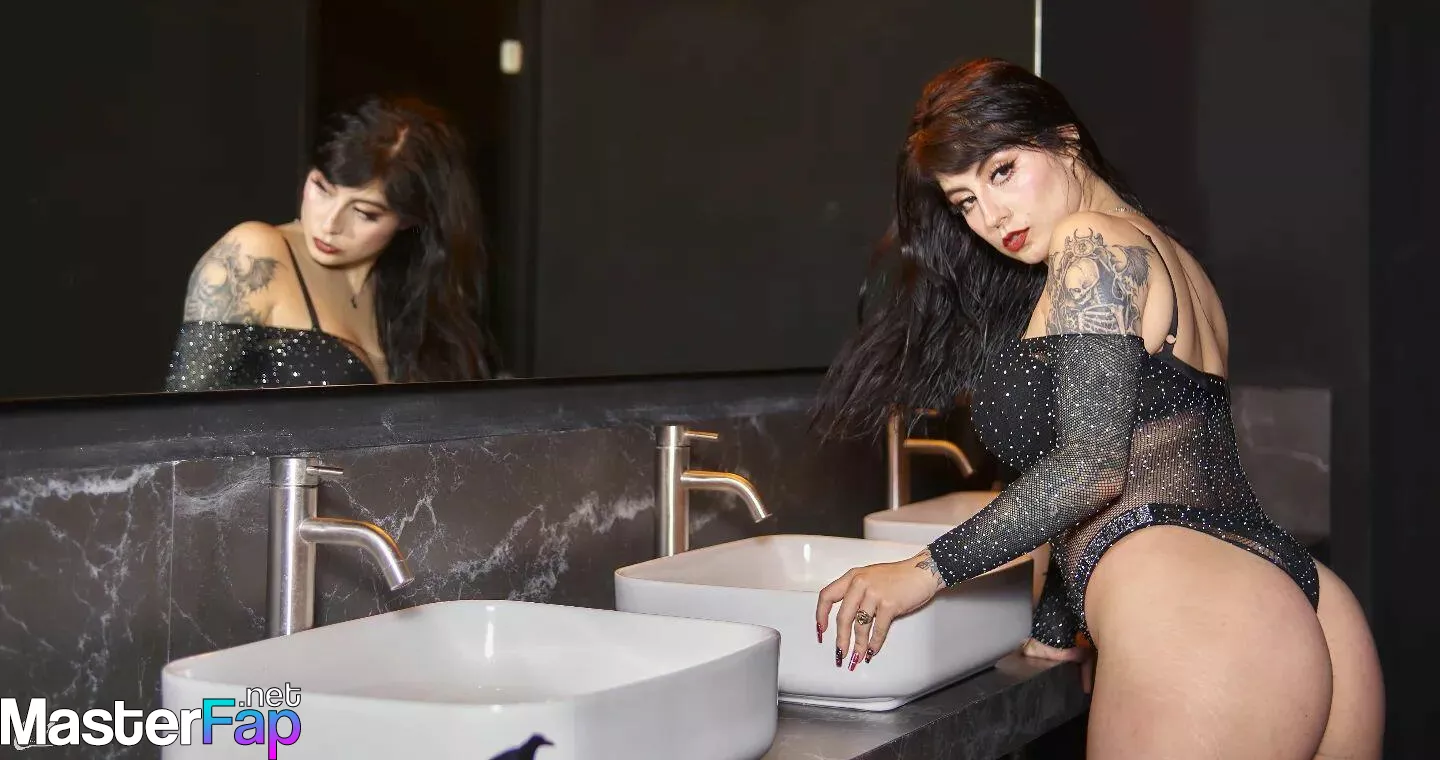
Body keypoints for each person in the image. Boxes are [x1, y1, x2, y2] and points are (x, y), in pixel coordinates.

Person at [812, 58, 1383, 758]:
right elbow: (1151, 451)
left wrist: (919, 573)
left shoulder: (1093, 244)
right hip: (1298, 598)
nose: (991, 216)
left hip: (1200, 620)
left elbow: (1090, 468)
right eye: (964, 202)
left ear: (1065, 142)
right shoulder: (1169, 256)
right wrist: (1062, 620)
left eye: (1002, 172)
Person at [164, 95, 499, 391]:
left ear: (409, 219)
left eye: (365, 213)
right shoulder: (255, 253)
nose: (329, 225)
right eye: (322, 188)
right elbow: (182, 425)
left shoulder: (411, 294)